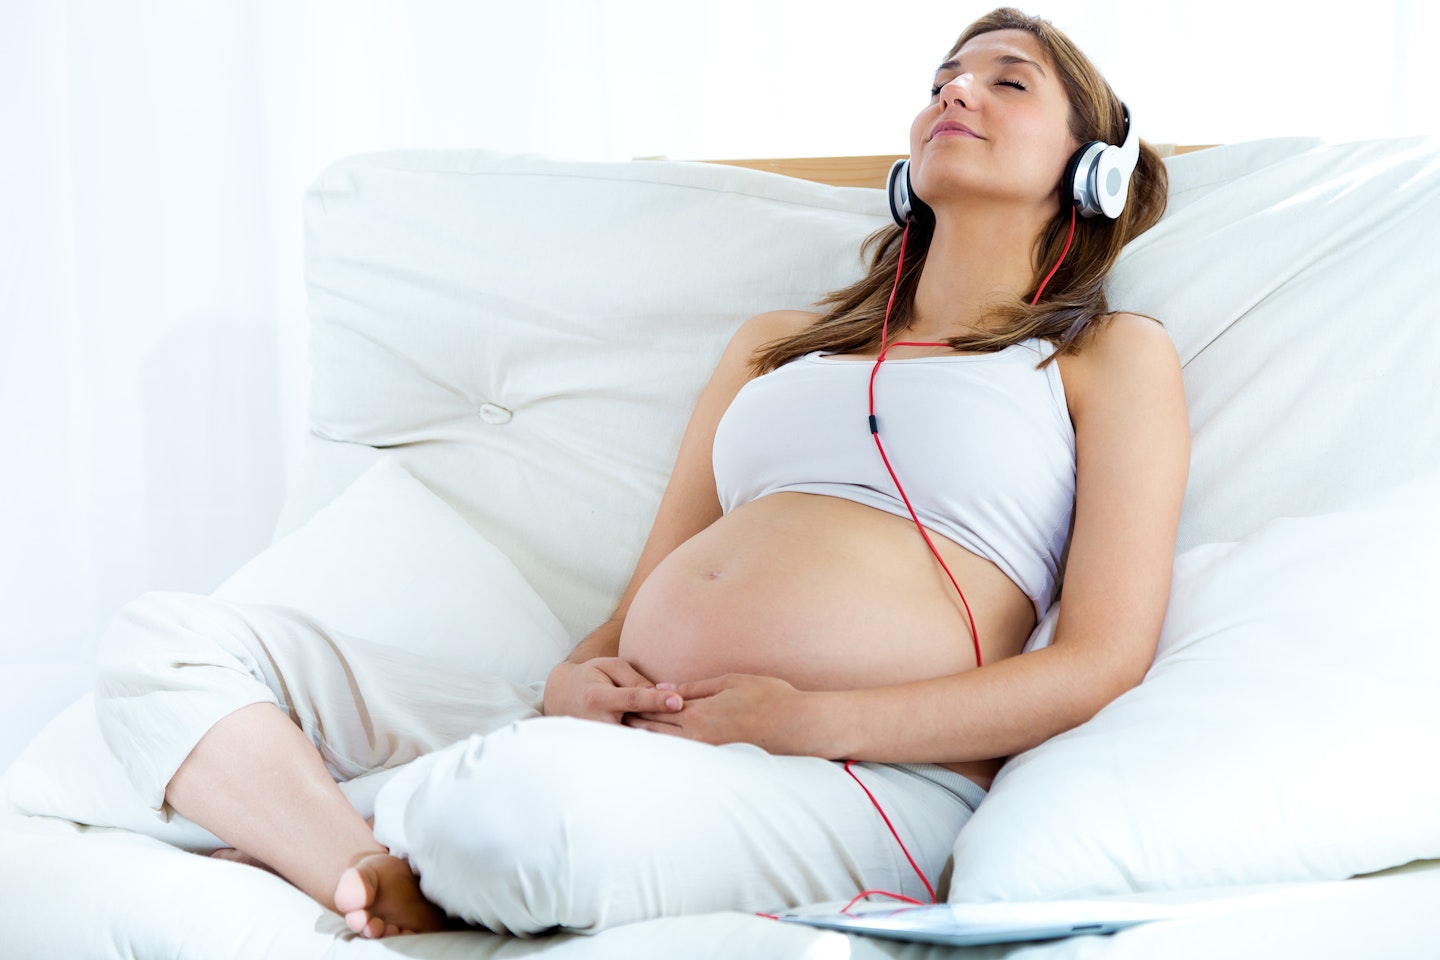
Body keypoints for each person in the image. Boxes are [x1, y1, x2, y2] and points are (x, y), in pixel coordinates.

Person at [93, 6, 1187, 941]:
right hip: (623, 727)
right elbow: (648, 588)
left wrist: (810, 722)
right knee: (160, 647)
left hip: (856, 776)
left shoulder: (1104, 357)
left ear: (1092, 168)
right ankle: (370, 868)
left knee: (518, 813)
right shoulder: (776, 343)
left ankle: (338, 831)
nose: (959, 91)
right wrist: (573, 684)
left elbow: (1101, 659)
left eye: (1009, 80)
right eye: (945, 77)